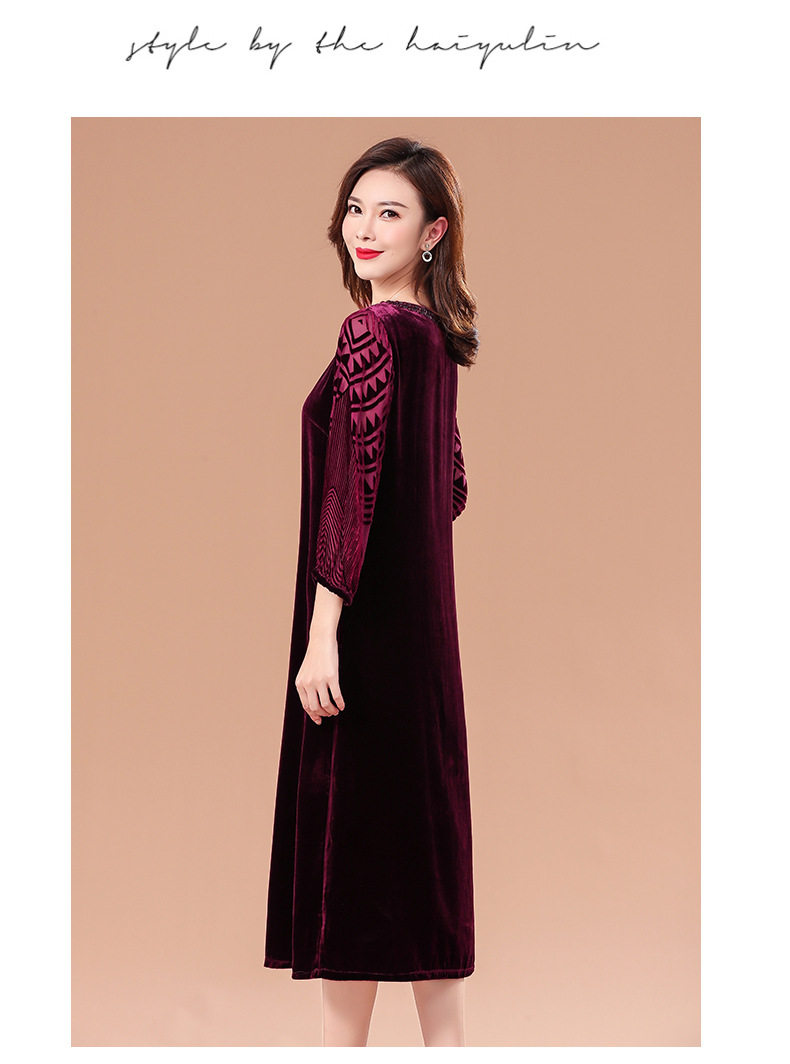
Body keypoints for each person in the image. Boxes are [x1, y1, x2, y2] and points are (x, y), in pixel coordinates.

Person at [263, 136, 478, 1047]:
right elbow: (450, 487)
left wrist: (324, 636)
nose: (365, 227)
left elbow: (351, 492)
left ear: (433, 233)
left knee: (349, 891)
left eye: (390, 212)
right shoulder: (435, 341)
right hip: (426, 652)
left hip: (363, 641)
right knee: (423, 893)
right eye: (357, 207)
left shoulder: (372, 333)